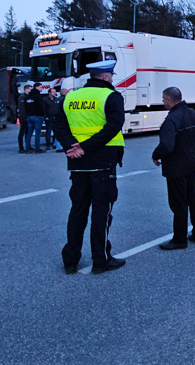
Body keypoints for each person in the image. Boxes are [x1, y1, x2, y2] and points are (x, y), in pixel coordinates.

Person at [54, 60, 126, 275]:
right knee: (101, 212)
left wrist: (71, 146)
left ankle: (70, 260)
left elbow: (58, 123)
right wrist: (85, 147)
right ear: (105, 77)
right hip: (102, 161)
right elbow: (113, 127)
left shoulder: (71, 97)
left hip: (77, 163)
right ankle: (100, 260)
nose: (112, 79)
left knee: (77, 211)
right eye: (111, 75)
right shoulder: (111, 96)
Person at [152, 86, 195, 250]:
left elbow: (167, 145)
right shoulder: (193, 114)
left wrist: (156, 155)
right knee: (193, 200)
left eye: (163, 99)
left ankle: (179, 239)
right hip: (190, 164)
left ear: (169, 99)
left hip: (176, 168)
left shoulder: (172, 119)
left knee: (178, 204)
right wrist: (188, 148)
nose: (163, 102)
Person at [25, 83, 45, 153]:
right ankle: (37, 148)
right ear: (36, 87)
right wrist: (43, 114)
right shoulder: (38, 96)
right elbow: (40, 107)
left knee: (29, 133)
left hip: (29, 116)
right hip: (37, 116)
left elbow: (26, 107)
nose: (42, 88)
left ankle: (27, 148)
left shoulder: (28, 96)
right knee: (37, 133)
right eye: (41, 87)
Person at [17, 84, 31, 154]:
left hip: (27, 117)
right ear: (26, 89)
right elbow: (22, 108)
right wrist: (24, 117)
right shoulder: (22, 97)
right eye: (30, 89)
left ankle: (28, 146)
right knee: (22, 132)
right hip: (23, 117)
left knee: (27, 132)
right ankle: (21, 147)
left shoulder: (27, 97)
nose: (30, 91)